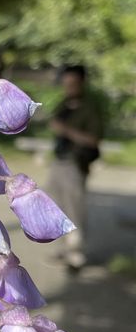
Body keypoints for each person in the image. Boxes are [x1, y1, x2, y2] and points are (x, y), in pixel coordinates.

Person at [47, 65, 104, 271]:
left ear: (82, 82)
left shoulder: (90, 107)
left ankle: (76, 253)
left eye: (73, 83)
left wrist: (66, 131)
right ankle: (64, 248)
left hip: (75, 163)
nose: (69, 87)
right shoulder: (64, 103)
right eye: (66, 83)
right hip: (58, 161)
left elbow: (94, 139)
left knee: (74, 209)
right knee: (56, 207)